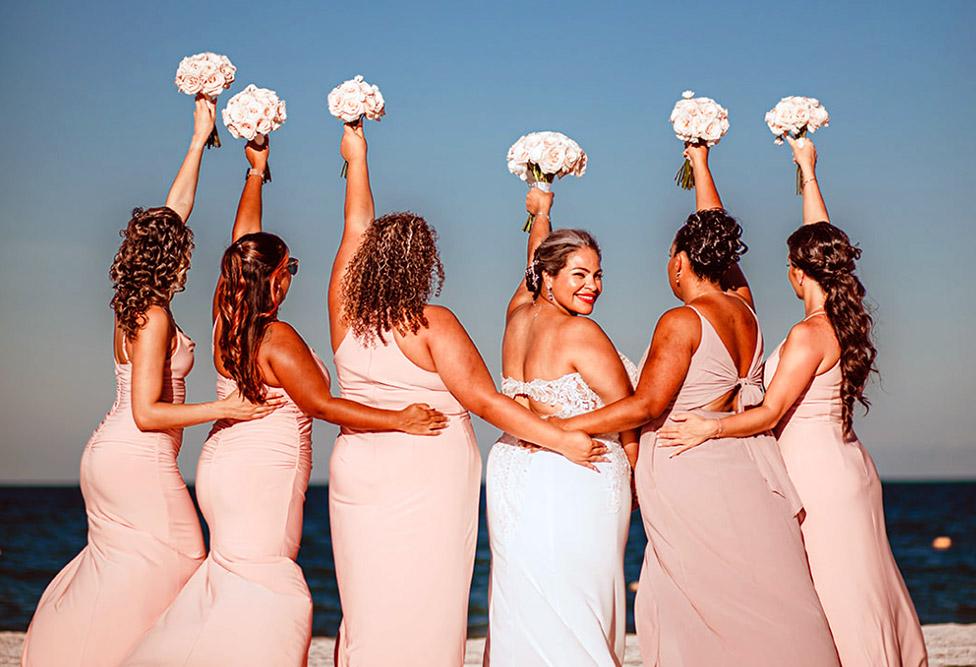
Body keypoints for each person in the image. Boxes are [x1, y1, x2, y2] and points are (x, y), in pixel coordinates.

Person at [123, 139, 446, 667]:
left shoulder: (226, 317)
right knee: (275, 592)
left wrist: (256, 174)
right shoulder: (277, 337)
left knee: (235, 580)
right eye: (290, 267)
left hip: (222, 466)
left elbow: (243, 240)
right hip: (261, 471)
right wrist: (400, 420)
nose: (293, 275)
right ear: (273, 277)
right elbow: (320, 405)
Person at [327, 120, 604, 666]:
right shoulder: (432, 321)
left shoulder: (344, 314)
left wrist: (356, 155)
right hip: (427, 472)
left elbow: (354, 225)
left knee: (367, 602)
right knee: (428, 597)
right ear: (424, 263)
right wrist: (560, 439)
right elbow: (484, 400)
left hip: (356, 468)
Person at [553, 144, 840, 666]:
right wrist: (701, 163)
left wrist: (564, 425)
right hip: (746, 462)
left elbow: (646, 404)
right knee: (756, 587)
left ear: (681, 263)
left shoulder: (680, 321)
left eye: (670, 256)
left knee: (699, 592)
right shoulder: (746, 311)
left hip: (688, 468)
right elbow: (722, 244)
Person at [21, 97, 278, 667]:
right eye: (183, 253)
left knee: (132, 570)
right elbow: (147, 411)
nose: (189, 261)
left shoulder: (132, 303)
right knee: (181, 558)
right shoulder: (156, 317)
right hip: (138, 453)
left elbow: (173, 211)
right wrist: (225, 409)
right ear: (172, 261)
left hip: (111, 454)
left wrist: (199, 137)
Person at [659, 137, 928, 667]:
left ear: (796, 272)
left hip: (816, 475)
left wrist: (705, 429)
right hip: (845, 465)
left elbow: (770, 413)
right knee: (858, 581)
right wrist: (806, 169)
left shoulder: (808, 334)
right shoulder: (842, 323)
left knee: (834, 591)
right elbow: (818, 244)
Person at [484, 187, 636, 665]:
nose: (593, 285)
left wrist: (540, 214)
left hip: (514, 473)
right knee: (579, 601)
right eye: (580, 274)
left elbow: (530, 268)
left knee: (527, 597)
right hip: (577, 474)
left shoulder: (515, 319)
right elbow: (630, 409)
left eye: (597, 275)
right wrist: (636, 473)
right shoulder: (580, 332)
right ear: (549, 278)